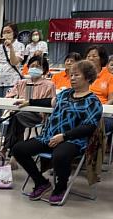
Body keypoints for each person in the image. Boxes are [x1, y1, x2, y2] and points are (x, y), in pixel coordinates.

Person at [11, 60, 103, 206]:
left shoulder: (93, 101)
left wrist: (64, 136)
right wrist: (29, 102)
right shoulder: (66, 93)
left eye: (76, 75)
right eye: (71, 75)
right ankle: (41, 182)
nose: (72, 78)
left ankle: (60, 188)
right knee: (18, 149)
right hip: (49, 137)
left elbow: (89, 127)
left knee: (60, 155)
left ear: (87, 78)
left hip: (73, 140)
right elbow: (50, 102)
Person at [2, 55, 56, 159]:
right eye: (32, 66)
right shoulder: (21, 83)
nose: (34, 68)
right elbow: (9, 96)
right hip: (19, 112)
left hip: (37, 115)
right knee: (16, 117)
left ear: (44, 69)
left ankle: (5, 149)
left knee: (16, 117)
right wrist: (14, 98)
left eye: (38, 66)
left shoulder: (49, 85)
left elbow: (50, 103)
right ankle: (15, 153)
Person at [0, 22, 25, 97]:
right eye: (4, 32)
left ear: (14, 33)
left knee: (8, 103)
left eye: (8, 32)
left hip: (12, 80)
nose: (6, 34)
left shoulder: (20, 45)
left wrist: (11, 47)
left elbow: (14, 62)